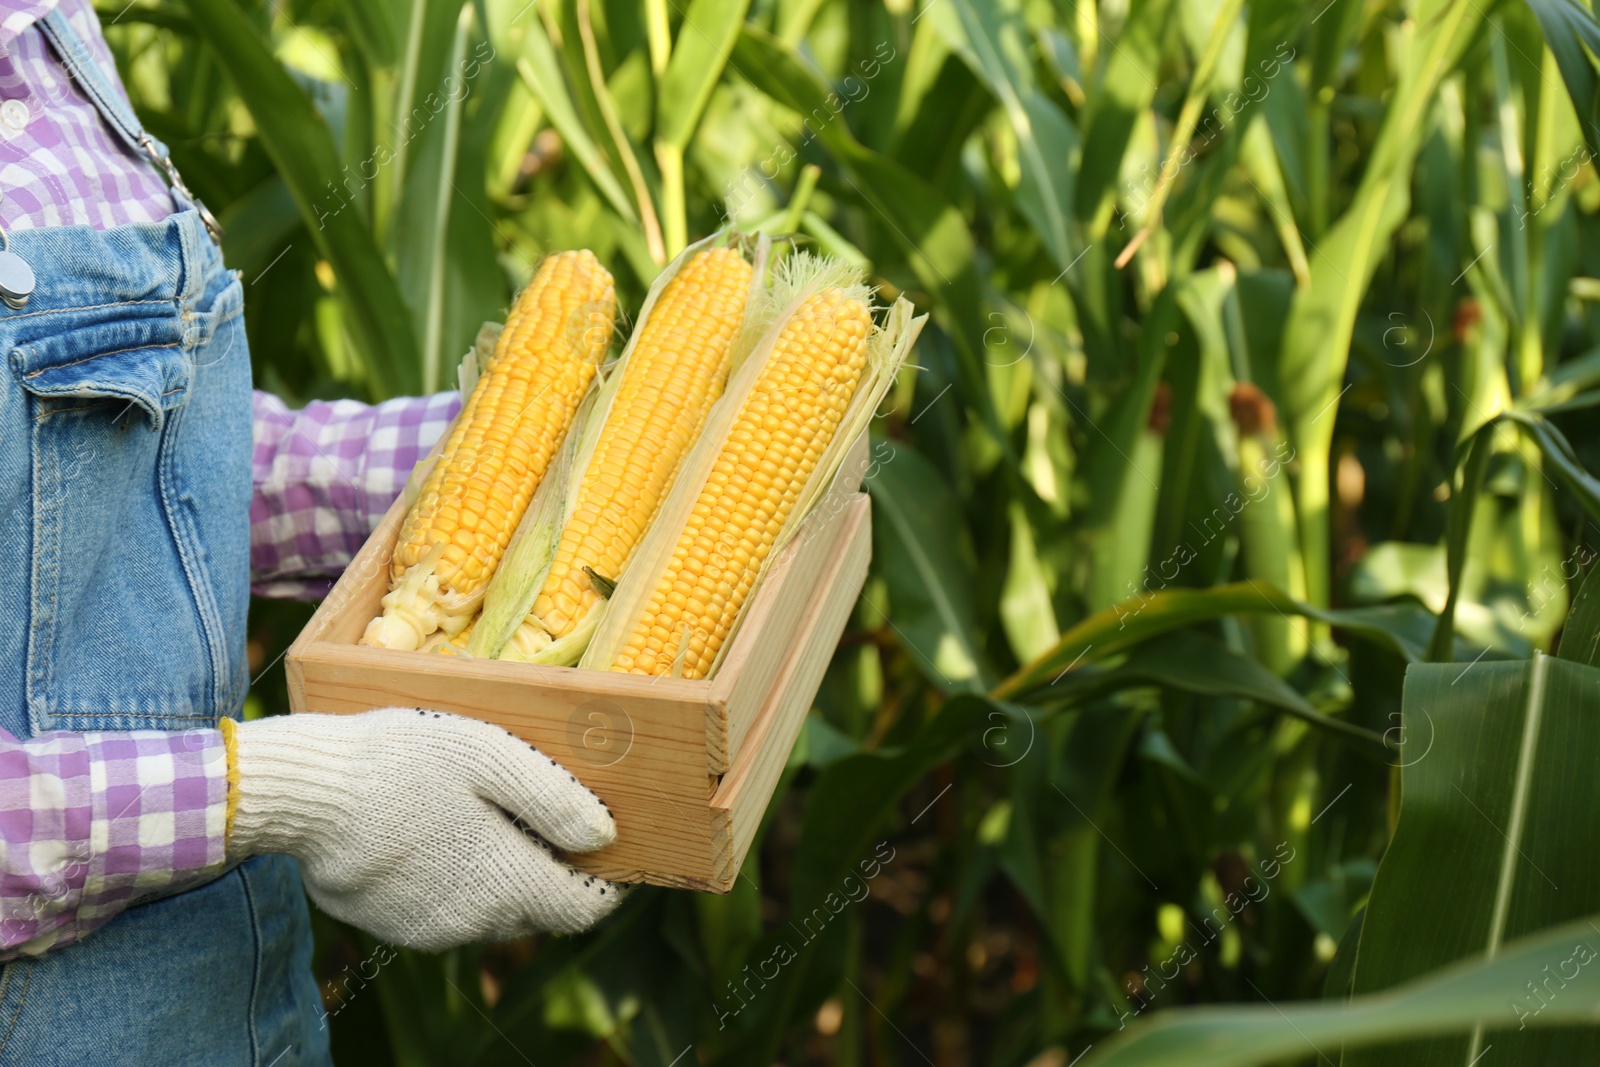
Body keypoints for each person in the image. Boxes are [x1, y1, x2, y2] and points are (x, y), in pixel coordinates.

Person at [0, 0, 621, 1061]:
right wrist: (292, 793)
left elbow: (129, 472)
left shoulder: (48, 29)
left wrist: (516, 461)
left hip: (244, 1019)